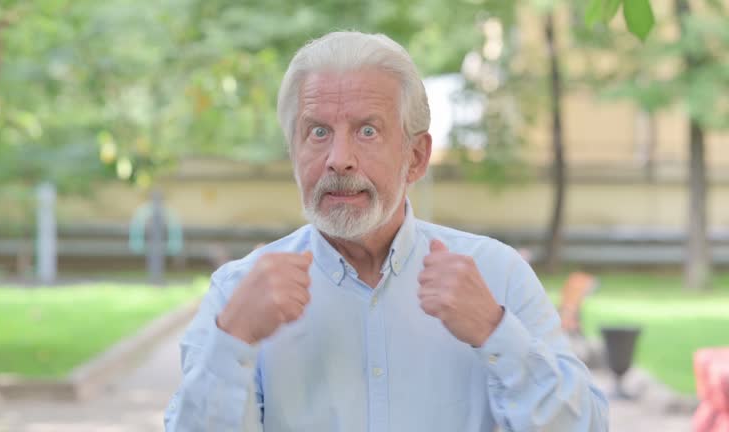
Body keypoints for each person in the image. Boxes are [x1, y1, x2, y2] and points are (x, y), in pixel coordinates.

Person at [164, 31, 608, 432]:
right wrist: (234, 339)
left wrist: (497, 334)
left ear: (416, 157)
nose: (339, 158)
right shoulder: (237, 293)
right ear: (293, 152)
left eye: (368, 130)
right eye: (318, 132)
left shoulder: (497, 276)